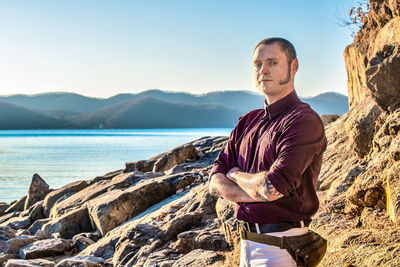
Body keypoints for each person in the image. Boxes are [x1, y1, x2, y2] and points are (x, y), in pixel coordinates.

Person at [208, 37, 327, 266]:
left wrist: (234, 175)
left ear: (293, 66)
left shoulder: (303, 121)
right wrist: (255, 192)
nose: (263, 70)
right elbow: (214, 181)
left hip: (281, 248)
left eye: (273, 62)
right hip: (246, 245)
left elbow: (271, 188)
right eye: (257, 64)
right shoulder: (246, 122)